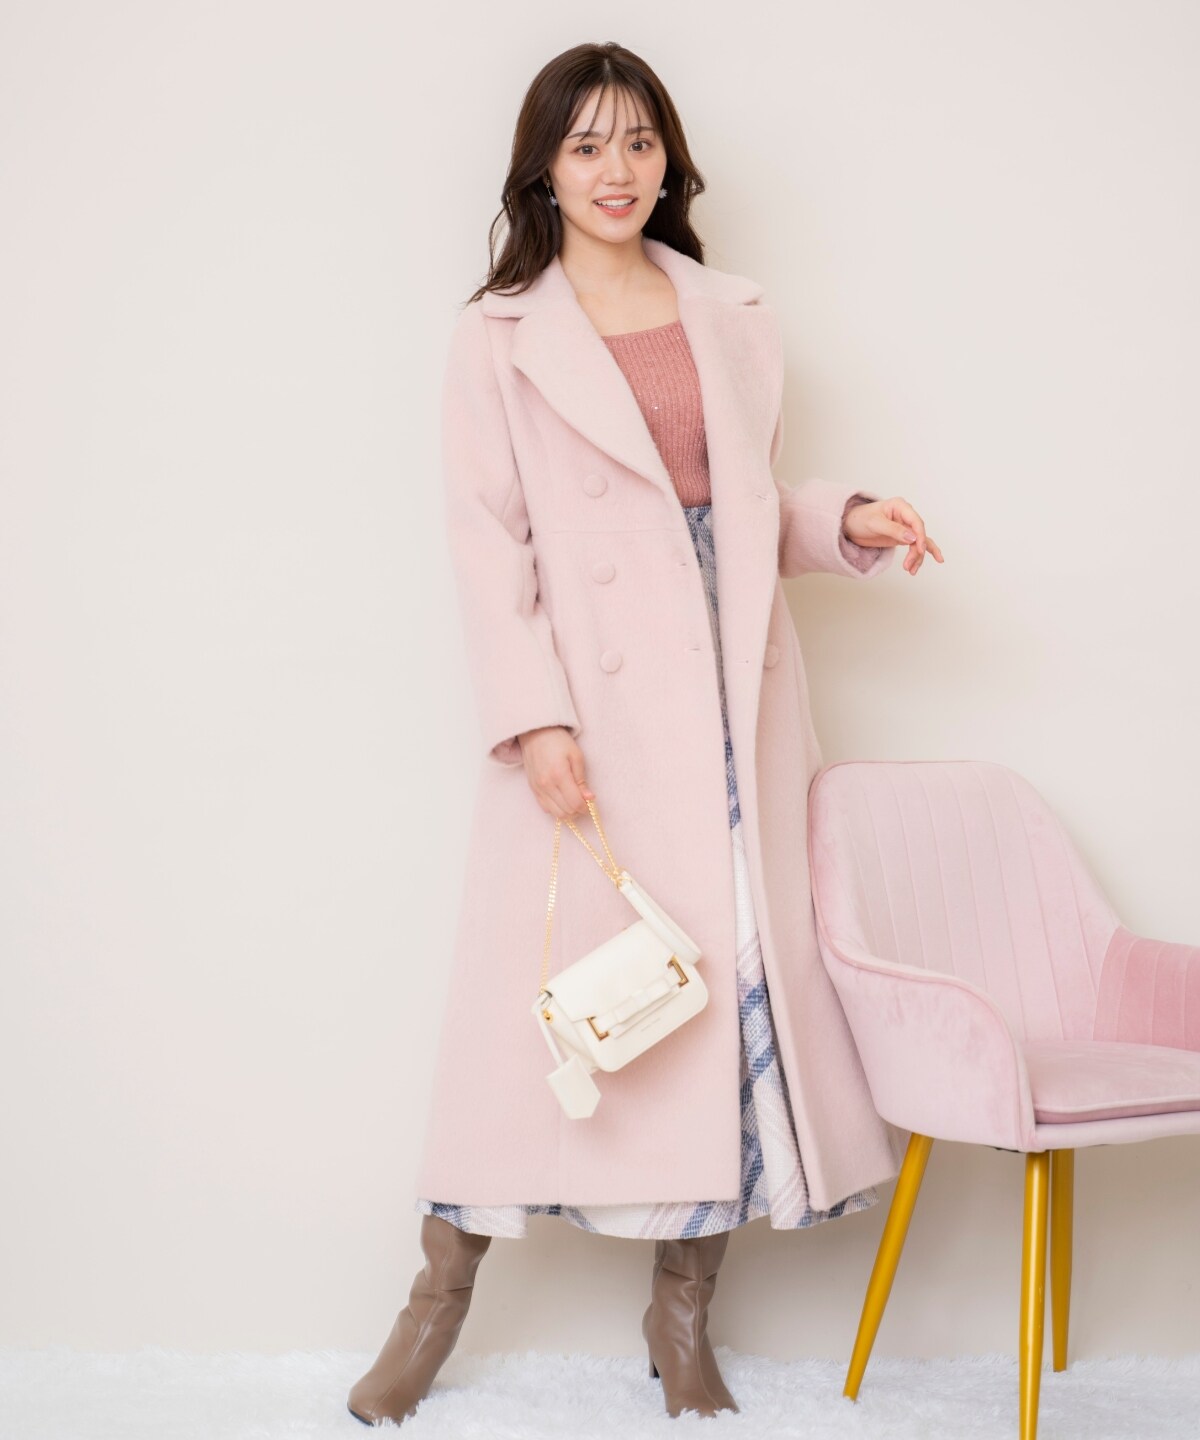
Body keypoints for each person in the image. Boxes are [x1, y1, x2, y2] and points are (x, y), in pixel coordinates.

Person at [348, 40, 943, 1428]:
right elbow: (487, 544)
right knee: (534, 1021)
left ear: (669, 158)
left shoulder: (727, 311)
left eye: (638, 142)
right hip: (594, 713)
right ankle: (436, 1303)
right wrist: (535, 716)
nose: (616, 171)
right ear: (543, 171)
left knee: (723, 1007)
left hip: (733, 696)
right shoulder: (500, 334)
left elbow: (735, 508)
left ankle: (681, 1320)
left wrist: (842, 519)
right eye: (586, 146)